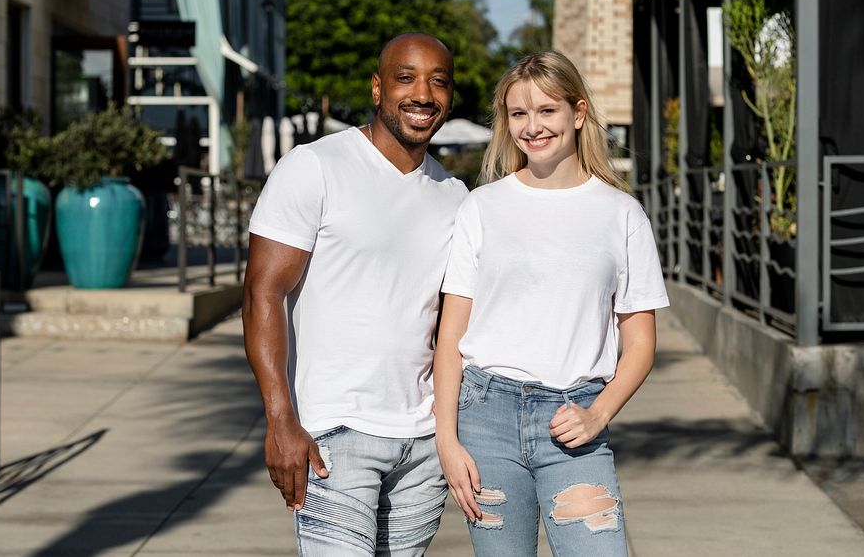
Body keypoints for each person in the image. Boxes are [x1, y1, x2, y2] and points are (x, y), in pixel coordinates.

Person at [434, 50, 669, 556]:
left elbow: (641, 342)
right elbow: (451, 335)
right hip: (486, 420)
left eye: (547, 111)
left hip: (576, 421)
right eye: (519, 113)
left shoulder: (622, 214)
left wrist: (599, 414)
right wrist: (447, 440)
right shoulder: (482, 207)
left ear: (578, 113)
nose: (532, 126)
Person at [242, 33, 468, 556]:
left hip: (423, 445)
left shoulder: (455, 197)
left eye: (439, 81)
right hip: (334, 436)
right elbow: (262, 294)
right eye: (405, 77)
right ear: (377, 88)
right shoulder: (314, 166)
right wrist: (280, 420)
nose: (423, 94)